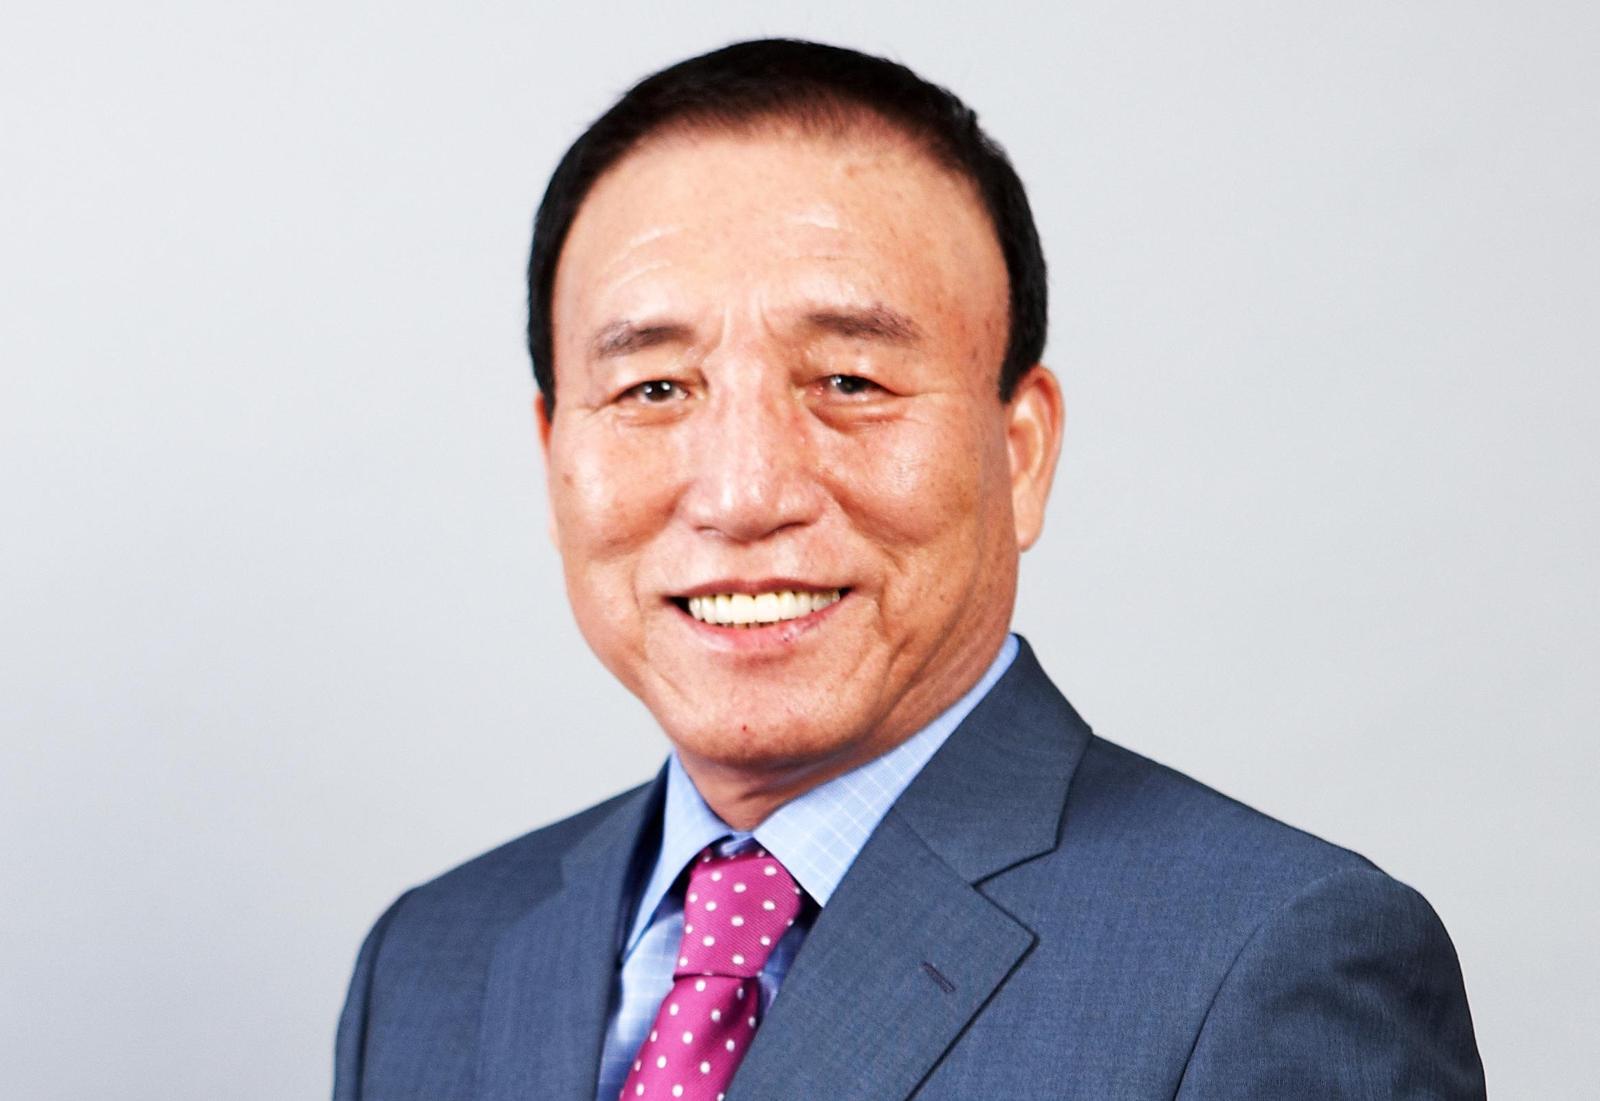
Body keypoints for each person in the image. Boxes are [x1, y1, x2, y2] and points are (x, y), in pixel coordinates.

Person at [334, 39, 1485, 1100]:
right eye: (653, 389)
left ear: (1021, 452)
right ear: (554, 459)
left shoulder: (1268, 964)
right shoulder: (430, 962)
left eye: (849, 381)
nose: (744, 493)